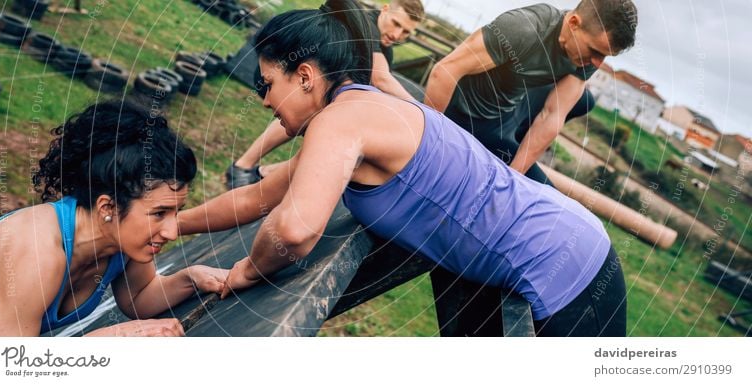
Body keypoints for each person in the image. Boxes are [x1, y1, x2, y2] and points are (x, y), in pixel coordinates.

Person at [178, 0, 626, 336]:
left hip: (569, 271)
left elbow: (294, 232)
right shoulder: (362, 112)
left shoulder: (340, 121)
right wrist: (175, 225)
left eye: (268, 83)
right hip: (575, 240)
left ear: (306, 76)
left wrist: (245, 272)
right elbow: (257, 197)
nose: (264, 99)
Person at [0, 100, 228, 337]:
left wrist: (192, 279)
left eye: (175, 212)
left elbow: (139, 296)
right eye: (159, 213)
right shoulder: (37, 252)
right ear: (107, 207)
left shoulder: (119, 240)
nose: (170, 231)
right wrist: (105, 340)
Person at [424, 0, 638, 185]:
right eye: (595, 51)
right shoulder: (523, 27)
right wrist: (429, 141)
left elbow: (552, 115)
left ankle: (517, 141)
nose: (597, 63)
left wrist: (512, 178)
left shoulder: (588, 57)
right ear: (573, 23)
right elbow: (446, 70)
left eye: (606, 56)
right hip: (466, 113)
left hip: (511, 110)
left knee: (584, 100)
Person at [225, 0, 425, 189]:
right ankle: (244, 166)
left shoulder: (385, 50)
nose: (397, 34)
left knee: (330, 134)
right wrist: (423, 112)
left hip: (319, 94)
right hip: (286, 77)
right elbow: (381, 79)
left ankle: (263, 174)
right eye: (396, 23)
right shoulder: (367, 27)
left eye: (406, 32)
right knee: (301, 113)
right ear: (385, 10)